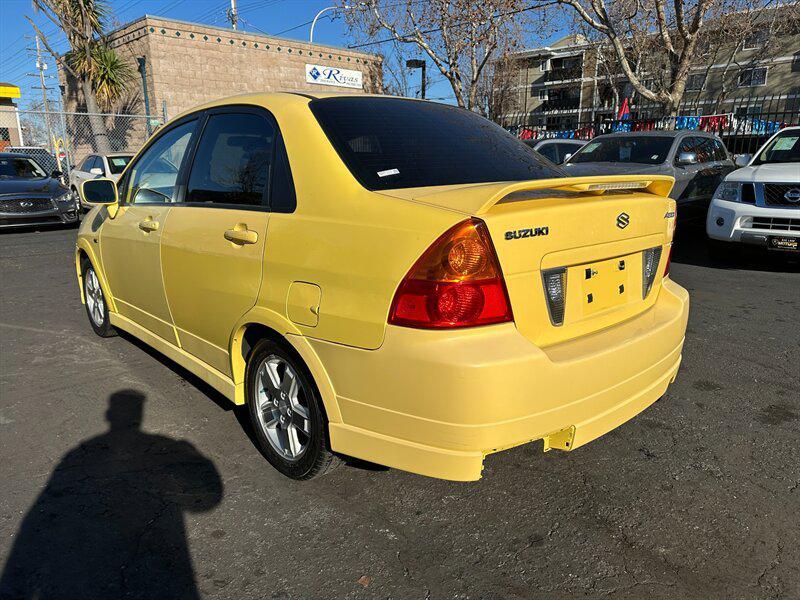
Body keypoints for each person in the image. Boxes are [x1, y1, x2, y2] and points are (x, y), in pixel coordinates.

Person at [0, 390, 223, 599]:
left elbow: (33, 525)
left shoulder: (77, 454)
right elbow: (208, 500)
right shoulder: (163, 444)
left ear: (108, 414)